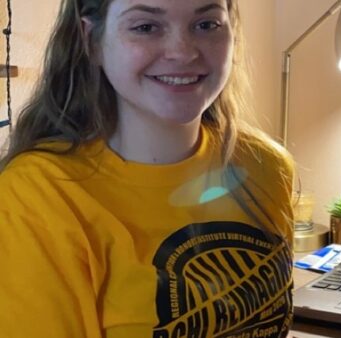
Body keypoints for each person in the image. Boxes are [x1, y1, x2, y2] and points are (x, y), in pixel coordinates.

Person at [0, 1, 295, 337]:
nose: (183, 52)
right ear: (92, 41)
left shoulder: (267, 165)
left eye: (207, 24)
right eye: (145, 27)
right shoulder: (37, 199)